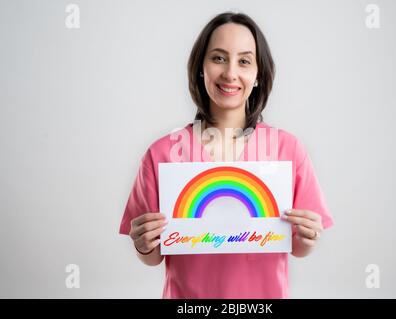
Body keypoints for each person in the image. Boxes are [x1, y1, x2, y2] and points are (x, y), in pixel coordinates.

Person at [119, 11, 333, 298]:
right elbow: (153, 256)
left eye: (244, 61)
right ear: (200, 68)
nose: (230, 73)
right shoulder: (162, 153)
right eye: (218, 58)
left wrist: (309, 236)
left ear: (258, 75)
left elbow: (298, 248)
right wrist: (143, 244)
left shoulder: (288, 150)